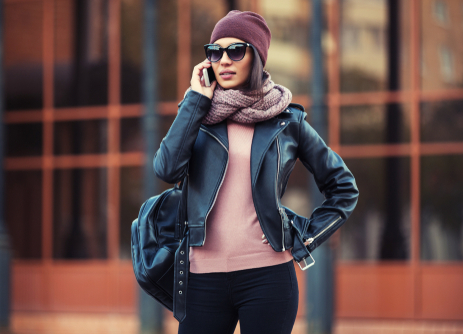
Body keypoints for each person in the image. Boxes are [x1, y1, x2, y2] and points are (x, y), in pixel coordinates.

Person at [153, 10, 359, 334]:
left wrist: (303, 236)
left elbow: (344, 187)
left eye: (235, 50)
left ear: (257, 56)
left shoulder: (287, 121)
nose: (224, 60)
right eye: (215, 52)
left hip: (267, 279)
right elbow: (166, 168)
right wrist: (195, 99)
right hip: (202, 280)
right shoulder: (196, 115)